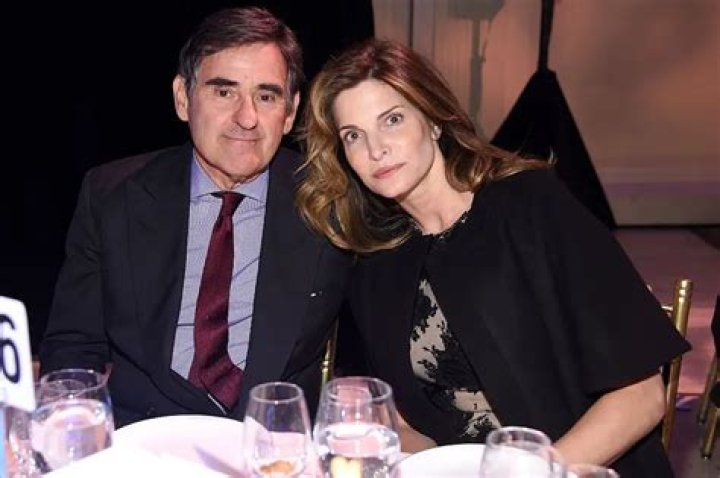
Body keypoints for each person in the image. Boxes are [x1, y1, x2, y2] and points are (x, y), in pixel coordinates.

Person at [296, 39, 689, 476]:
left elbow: (641, 397)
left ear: (433, 120)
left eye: (392, 119)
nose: (376, 149)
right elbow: (407, 426)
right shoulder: (376, 264)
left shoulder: (531, 207)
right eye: (353, 135)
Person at [39, 7, 352, 427]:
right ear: (183, 98)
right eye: (224, 92)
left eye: (266, 96)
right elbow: (74, 345)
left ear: (291, 112)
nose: (247, 118)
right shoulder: (113, 195)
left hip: (271, 443)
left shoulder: (332, 201)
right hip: (142, 437)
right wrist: (75, 432)